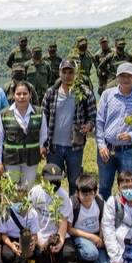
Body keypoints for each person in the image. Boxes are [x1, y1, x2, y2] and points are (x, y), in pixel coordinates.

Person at [95, 61, 132, 200]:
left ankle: (126, 217)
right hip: (107, 150)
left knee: (128, 187)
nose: (126, 79)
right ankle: (105, 217)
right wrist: (101, 146)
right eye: (122, 76)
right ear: (117, 77)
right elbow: (99, 121)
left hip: (129, 150)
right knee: (104, 187)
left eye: (130, 76)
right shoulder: (107, 95)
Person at [41, 59, 97, 195]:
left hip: (75, 147)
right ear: (59, 73)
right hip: (53, 147)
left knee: (74, 181)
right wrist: (42, 143)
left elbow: (93, 116)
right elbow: (43, 119)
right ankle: (53, 211)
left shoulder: (85, 94)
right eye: (64, 72)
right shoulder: (51, 93)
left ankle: (73, 210)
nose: (67, 75)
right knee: (53, 181)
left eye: (70, 72)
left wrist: (89, 126)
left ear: (76, 73)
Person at [0, 81, 46, 186]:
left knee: (28, 187)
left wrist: (41, 147)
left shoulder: (39, 113)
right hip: (11, 159)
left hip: (31, 159)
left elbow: (43, 134)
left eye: (25, 93)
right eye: (18, 94)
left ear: (30, 95)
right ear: (14, 95)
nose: (21, 97)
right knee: (13, 189)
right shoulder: (4, 114)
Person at [28, 164, 72, 263]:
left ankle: (53, 255)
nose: (54, 185)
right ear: (43, 179)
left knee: (69, 253)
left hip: (54, 233)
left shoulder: (63, 196)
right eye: (51, 181)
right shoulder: (35, 192)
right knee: (39, 261)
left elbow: (63, 220)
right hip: (38, 233)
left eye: (57, 181)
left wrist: (60, 241)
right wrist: (39, 241)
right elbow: (30, 220)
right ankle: (49, 257)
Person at [65, 174, 110, 263]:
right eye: (84, 194)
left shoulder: (100, 201)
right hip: (80, 236)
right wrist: (92, 237)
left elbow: (103, 221)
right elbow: (69, 229)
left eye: (91, 193)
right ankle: (77, 253)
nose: (88, 197)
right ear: (77, 193)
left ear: (95, 192)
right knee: (92, 253)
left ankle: (91, 257)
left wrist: (100, 237)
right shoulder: (73, 204)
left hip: (97, 236)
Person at [0, 181, 41, 263]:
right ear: (10, 198)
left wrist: (33, 242)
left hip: (25, 237)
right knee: (8, 255)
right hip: (10, 239)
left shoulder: (32, 213)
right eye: (16, 199)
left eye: (22, 199)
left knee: (37, 252)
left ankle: (23, 259)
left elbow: (34, 234)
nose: (19, 202)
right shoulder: (6, 212)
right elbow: (3, 235)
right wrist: (11, 245)